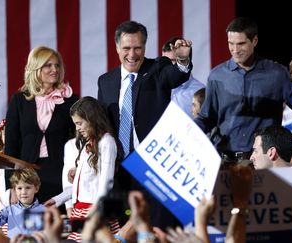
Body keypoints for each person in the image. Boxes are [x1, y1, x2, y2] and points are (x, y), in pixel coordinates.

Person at [97, 20, 192, 229]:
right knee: (123, 224)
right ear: (116, 48)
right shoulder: (105, 81)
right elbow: (102, 125)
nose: (132, 54)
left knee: (155, 224)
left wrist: (182, 59)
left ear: (145, 47)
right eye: (127, 48)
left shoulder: (158, 68)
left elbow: (176, 76)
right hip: (119, 167)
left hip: (152, 165)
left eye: (137, 48)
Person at [195, 17, 291, 162]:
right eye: (231, 44)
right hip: (225, 160)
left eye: (241, 44)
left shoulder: (277, 74)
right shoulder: (217, 76)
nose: (235, 50)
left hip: (264, 161)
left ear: (255, 41)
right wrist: (185, 132)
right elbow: (207, 118)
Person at [5, 45, 78, 204]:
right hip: (27, 178)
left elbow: (78, 139)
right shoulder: (20, 100)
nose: (54, 69)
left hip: (60, 174)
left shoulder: (70, 101)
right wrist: (11, 186)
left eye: (57, 65)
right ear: (36, 68)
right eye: (48, 65)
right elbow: (11, 147)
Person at [44, 96, 120, 241]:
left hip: (93, 211)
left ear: (91, 119)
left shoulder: (107, 142)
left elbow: (106, 182)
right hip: (81, 211)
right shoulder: (87, 145)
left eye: (79, 123)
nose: (77, 128)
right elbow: (80, 186)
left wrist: (96, 211)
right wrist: (56, 200)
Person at [0, 168, 45, 238]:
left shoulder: (45, 210)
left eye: (28, 188)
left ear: (36, 188)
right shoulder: (10, 209)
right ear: (15, 190)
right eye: (19, 188)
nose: (23, 192)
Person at [162, 36, 205, 118]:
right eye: (164, 62)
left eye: (173, 62)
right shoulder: (154, 87)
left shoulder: (201, 93)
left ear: (187, 61)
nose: (167, 67)